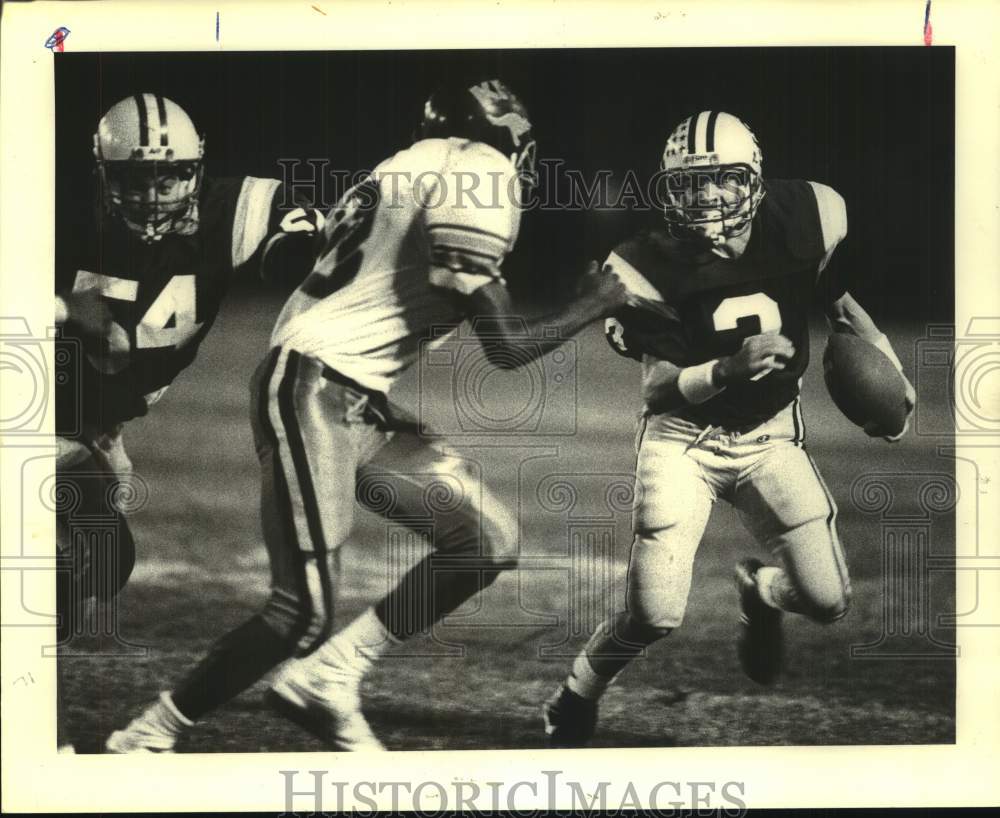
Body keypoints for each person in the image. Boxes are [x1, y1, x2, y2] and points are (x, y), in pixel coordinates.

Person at [105, 78, 627, 753]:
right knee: (301, 611)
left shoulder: (403, 164)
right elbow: (504, 347)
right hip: (313, 389)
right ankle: (146, 737)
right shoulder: (479, 172)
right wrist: (596, 301)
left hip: (351, 396)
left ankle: (330, 677)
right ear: (513, 141)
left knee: (485, 541)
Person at [543, 110, 916, 747]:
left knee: (828, 601)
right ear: (669, 191)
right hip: (682, 444)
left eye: (723, 179)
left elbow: (842, 306)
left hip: (770, 435)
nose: (708, 196)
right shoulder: (644, 264)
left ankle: (761, 589)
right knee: (655, 613)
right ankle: (575, 695)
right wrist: (727, 368)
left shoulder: (805, 220)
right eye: (690, 184)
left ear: (755, 180)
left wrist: (895, 382)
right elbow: (660, 388)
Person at [55, 93, 323, 647]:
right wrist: (58, 306)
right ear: (103, 175)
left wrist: (303, 251)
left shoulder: (227, 212)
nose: (151, 197)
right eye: (133, 181)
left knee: (104, 566)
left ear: (196, 172)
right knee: (62, 567)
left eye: (168, 179)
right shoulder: (60, 215)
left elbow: (300, 227)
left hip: (92, 424)